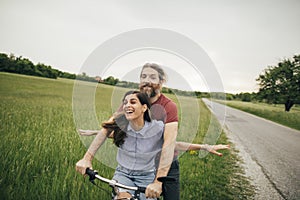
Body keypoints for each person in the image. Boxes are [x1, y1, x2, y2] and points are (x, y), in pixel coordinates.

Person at [76, 63, 230, 199]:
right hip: (135, 166)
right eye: (143, 77)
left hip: (165, 162)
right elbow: (109, 128)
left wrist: (158, 181)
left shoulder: (168, 107)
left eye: (152, 77)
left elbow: (168, 144)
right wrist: (87, 157)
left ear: (162, 81)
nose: (146, 81)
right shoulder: (131, 101)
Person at [100, 90, 164, 199]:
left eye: (133, 102)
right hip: (123, 174)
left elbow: (172, 144)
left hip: (146, 176)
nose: (127, 105)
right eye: (125, 103)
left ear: (144, 108)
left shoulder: (157, 128)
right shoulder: (122, 127)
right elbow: (106, 132)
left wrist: (201, 147)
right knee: (123, 197)